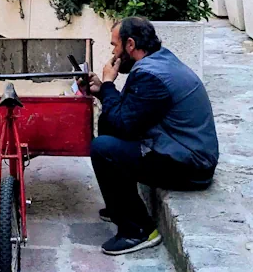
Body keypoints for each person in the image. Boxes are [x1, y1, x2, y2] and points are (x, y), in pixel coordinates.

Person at [87, 16, 219, 256]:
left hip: (191, 165)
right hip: (180, 150)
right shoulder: (157, 62)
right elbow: (125, 116)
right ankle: (120, 206)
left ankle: (138, 230)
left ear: (129, 45)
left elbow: (124, 126)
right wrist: (102, 92)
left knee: (103, 148)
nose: (113, 54)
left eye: (114, 46)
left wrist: (108, 85)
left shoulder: (150, 76)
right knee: (108, 129)